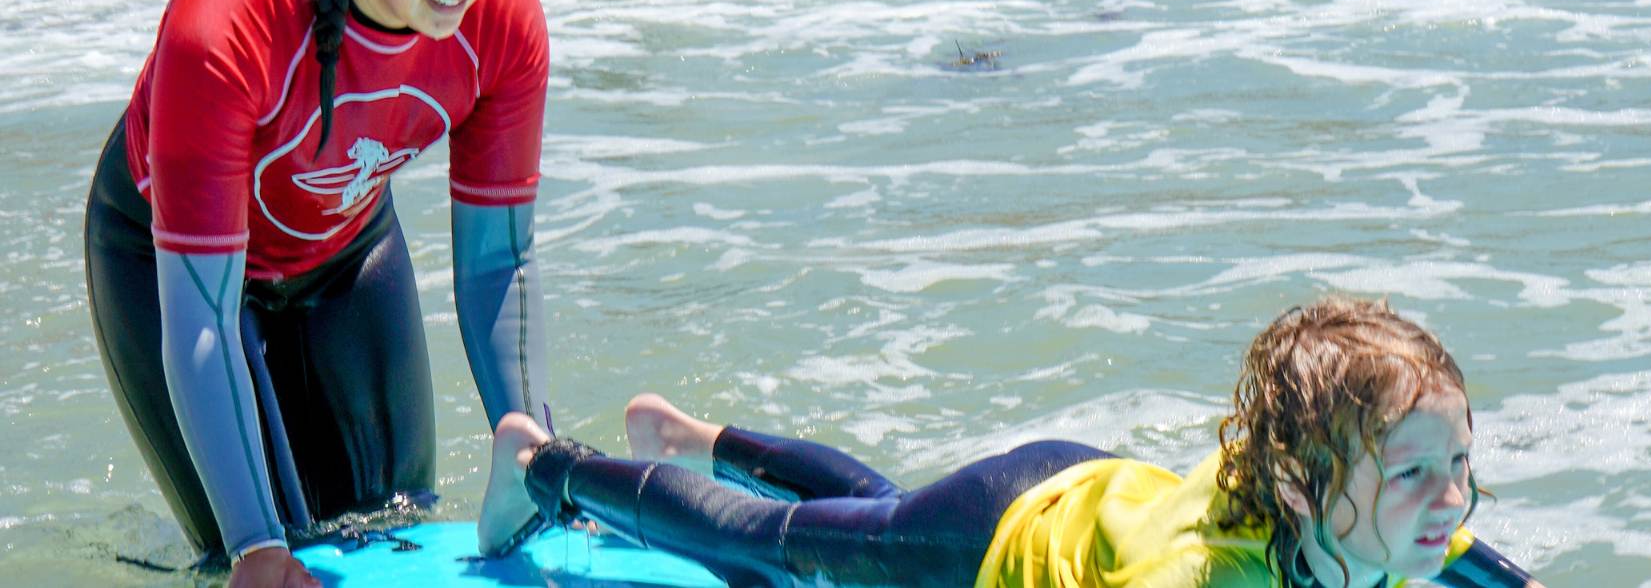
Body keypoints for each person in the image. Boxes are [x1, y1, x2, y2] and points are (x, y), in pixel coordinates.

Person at [82, 0, 550, 585]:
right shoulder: (226, 22)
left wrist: (536, 456)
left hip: (346, 255)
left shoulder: (504, 22)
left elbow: (497, 263)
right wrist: (254, 544)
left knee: (395, 533)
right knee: (259, 558)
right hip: (165, 265)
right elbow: (204, 317)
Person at [477, 296, 1546, 587]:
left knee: (878, 504)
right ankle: (547, 468)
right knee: (782, 545)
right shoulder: (1203, 582)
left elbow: (1470, 561)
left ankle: (693, 433)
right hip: (992, 538)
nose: (1451, 499)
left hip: (1076, 480)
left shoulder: (1391, 518)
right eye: (1415, 473)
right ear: (1305, 490)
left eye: (1458, 462)